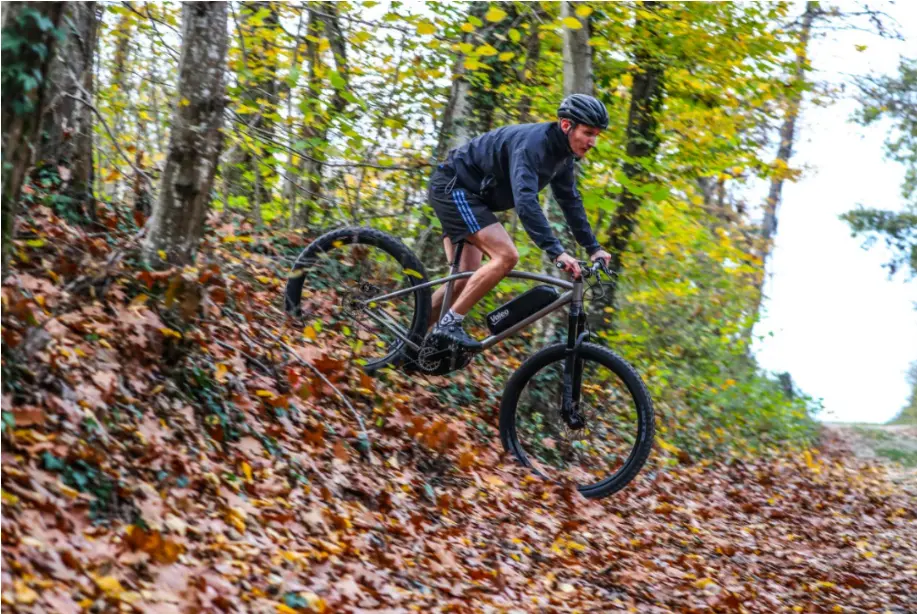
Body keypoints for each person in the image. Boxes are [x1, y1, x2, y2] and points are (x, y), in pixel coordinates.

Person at [426, 93, 612, 351]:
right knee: (506, 256)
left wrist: (593, 247)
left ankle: (411, 341)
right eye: (588, 133)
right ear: (567, 125)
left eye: (596, 136)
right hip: (454, 187)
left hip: (473, 198)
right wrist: (556, 252)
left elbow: (570, 200)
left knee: (462, 280)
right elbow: (525, 201)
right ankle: (448, 326)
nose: (592, 142)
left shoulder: (563, 157)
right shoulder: (533, 145)